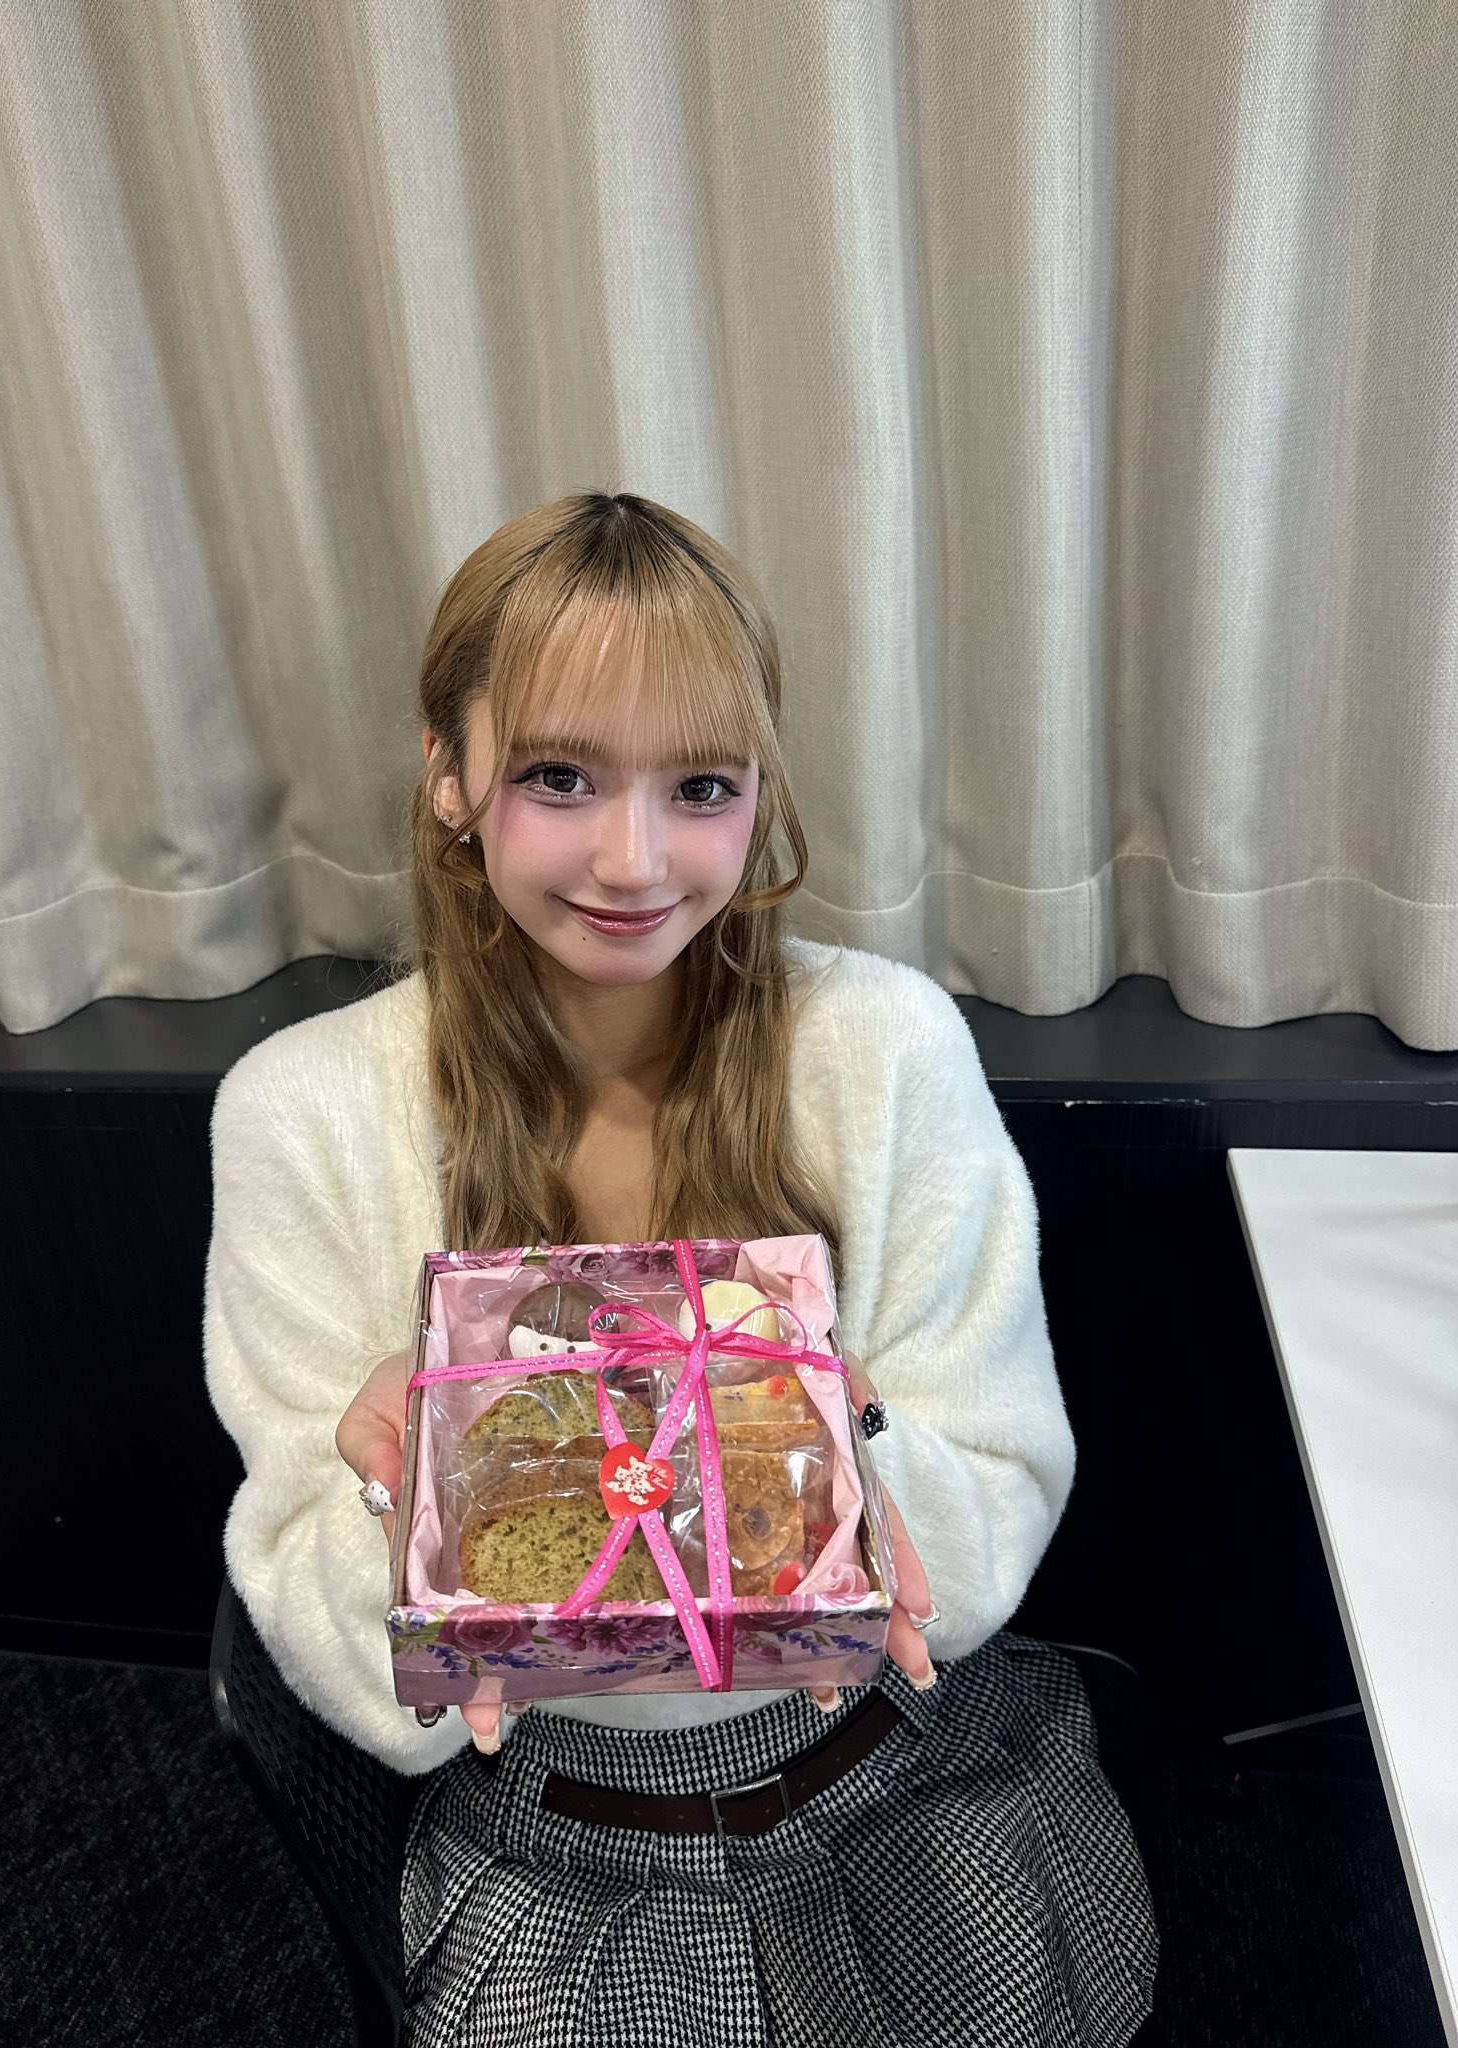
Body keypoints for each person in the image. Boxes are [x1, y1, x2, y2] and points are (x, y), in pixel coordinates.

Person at [204, 492, 1160, 2046]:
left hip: (902, 1762)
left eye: (700, 786)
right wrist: (413, 1477)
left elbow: (997, 1490)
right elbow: (347, 1663)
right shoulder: (303, 1114)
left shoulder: (883, 1050)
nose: (633, 859)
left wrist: (849, 1438)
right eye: (558, 776)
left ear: (757, 795)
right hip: (560, 1836)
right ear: (448, 774)